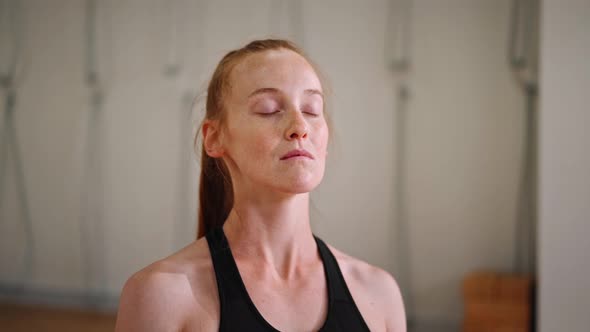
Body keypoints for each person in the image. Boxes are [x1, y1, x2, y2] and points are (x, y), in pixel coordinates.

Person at [115, 39, 406, 332]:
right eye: (269, 109)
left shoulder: (379, 294)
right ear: (215, 137)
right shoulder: (161, 295)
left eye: (311, 109)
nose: (300, 126)